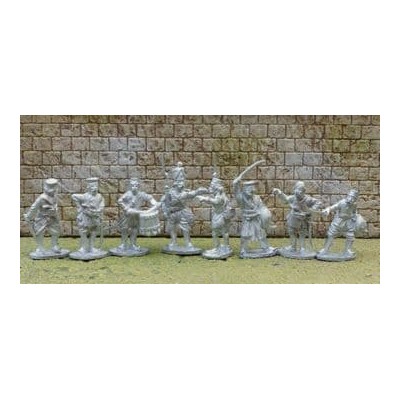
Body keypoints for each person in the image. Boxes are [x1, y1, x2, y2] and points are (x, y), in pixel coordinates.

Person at [272, 181, 322, 257]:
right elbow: (286, 200)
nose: (298, 192)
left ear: (304, 191)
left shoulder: (308, 199)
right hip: (293, 218)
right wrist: (279, 193)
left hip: (303, 219)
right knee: (291, 232)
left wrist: (310, 211)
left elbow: (318, 202)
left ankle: (302, 248)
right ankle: (293, 246)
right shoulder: (293, 198)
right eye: (297, 189)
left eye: (300, 190)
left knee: (302, 233)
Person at [233, 175, 276, 258]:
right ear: (244, 190)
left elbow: (261, 207)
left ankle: (265, 247)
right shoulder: (241, 198)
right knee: (245, 235)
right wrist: (236, 184)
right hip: (248, 219)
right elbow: (236, 192)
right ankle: (243, 249)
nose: (250, 191)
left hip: (256, 219)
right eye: (248, 189)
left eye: (251, 189)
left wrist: (264, 213)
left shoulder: (256, 198)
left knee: (261, 234)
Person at [162, 177, 207, 252]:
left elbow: (192, 194)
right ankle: (173, 242)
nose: (182, 185)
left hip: (182, 212)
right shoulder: (169, 193)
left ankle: (188, 243)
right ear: (175, 185)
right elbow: (164, 203)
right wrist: (165, 211)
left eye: (182, 184)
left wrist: (198, 191)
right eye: (180, 183)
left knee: (185, 228)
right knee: (172, 228)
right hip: (172, 213)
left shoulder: (184, 193)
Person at [24, 178, 66, 257]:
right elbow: (34, 207)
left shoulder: (55, 196)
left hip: (53, 217)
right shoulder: (41, 198)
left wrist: (55, 210)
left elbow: (55, 204)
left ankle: (54, 246)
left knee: (56, 232)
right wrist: (29, 216)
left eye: (54, 188)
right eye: (51, 188)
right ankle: (40, 248)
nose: (53, 191)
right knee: (39, 232)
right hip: (42, 218)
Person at [116, 178, 159, 252]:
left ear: (138, 186)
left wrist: (155, 203)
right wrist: (125, 207)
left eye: (136, 185)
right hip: (127, 215)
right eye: (133, 185)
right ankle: (123, 244)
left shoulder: (141, 194)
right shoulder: (128, 194)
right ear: (130, 186)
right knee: (125, 229)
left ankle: (133, 244)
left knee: (135, 229)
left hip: (136, 215)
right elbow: (120, 201)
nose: (134, 187)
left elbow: (150, 198)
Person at [198, 173, 234, 258]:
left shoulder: (220, 196)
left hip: (220, 216)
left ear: (216, 188)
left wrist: (204, 199)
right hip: (219, 216)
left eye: (212, 187)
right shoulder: (219, 195)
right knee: (221, 232)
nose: (210, 188)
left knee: (217, 232)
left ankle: (221, 247)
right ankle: (221, 246)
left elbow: (216, 202)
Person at [318, 189, 362, 258]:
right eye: (350, 197)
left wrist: (354, 217)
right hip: (338, 221)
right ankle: (325, 250)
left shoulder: (354, 204)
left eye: (353, 198)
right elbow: (333, 207)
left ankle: (347, 250)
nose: (351, 199)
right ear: (347, 196)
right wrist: (328, 210)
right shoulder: (342, 202)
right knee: (331, 234)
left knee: (350, 236)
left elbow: (354, 212)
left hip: (348, 222)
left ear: (355, 199)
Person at [71, 177, 105, 254]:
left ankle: (92, 247)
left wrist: (99, 210)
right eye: (92, 186)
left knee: (94, 232)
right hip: (85, 217)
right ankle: (84, 247)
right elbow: (73, 196)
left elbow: (102, 205)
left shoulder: (99, 196)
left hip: (95, 217)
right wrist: (80, 207)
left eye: (96, 186)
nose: (95, 188)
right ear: (88, 187)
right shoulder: (84, 196)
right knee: (84, 232)